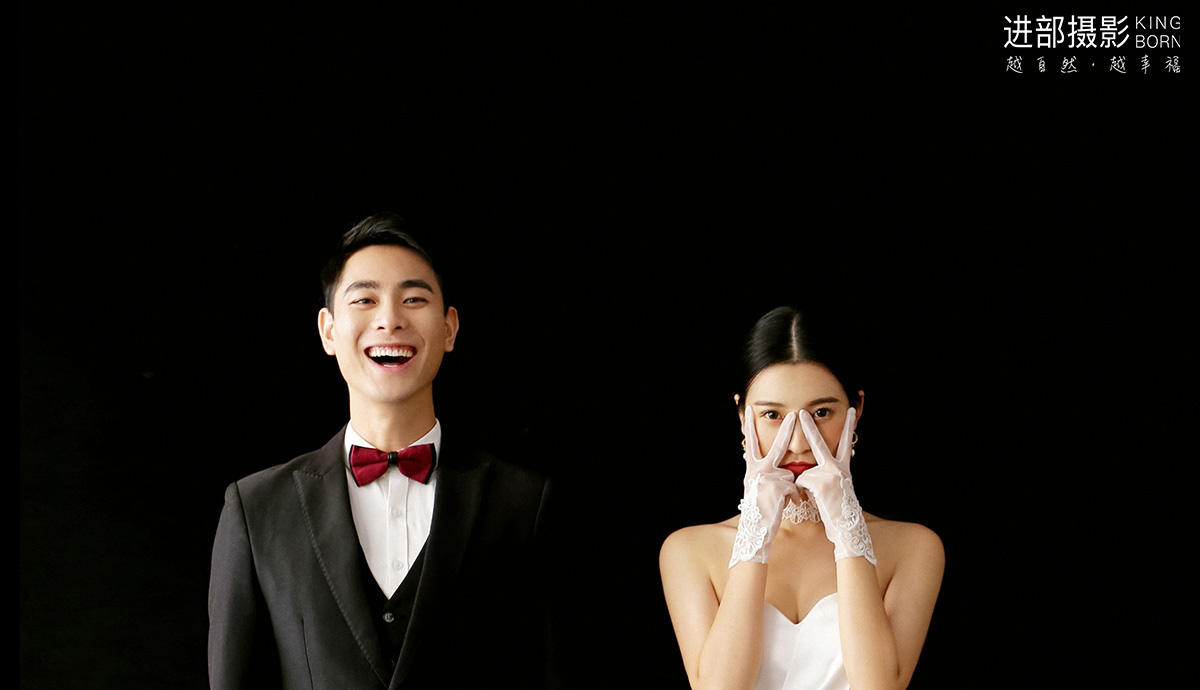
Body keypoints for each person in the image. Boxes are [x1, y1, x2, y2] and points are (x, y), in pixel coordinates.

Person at [208, 212, 556, 689]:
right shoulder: (256, 509)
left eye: (413, 299)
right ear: (328, 331)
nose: (390, 320)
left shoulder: (524, 503)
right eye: (365, 300)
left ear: (449, 328)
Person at [659, 307, 944, 690]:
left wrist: (846, 528)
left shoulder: (914, 546)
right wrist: (756, 531)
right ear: (743, 417)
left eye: (821, 412)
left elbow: (877, 686)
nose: (797, 443)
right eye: (772, 415)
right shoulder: (688, 550)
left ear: (856, 411)